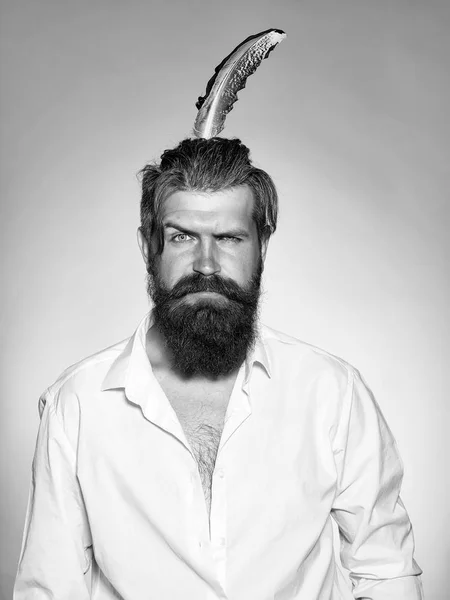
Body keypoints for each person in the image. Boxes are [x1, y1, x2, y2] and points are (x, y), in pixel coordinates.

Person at [14, 137, 424, 599]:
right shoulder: (78, 405)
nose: (206, 265)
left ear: (262, 246)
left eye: (229, 238)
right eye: (182, 237)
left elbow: (387, 571)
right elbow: (49, 590)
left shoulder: (331, 393)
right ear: (148, 247)